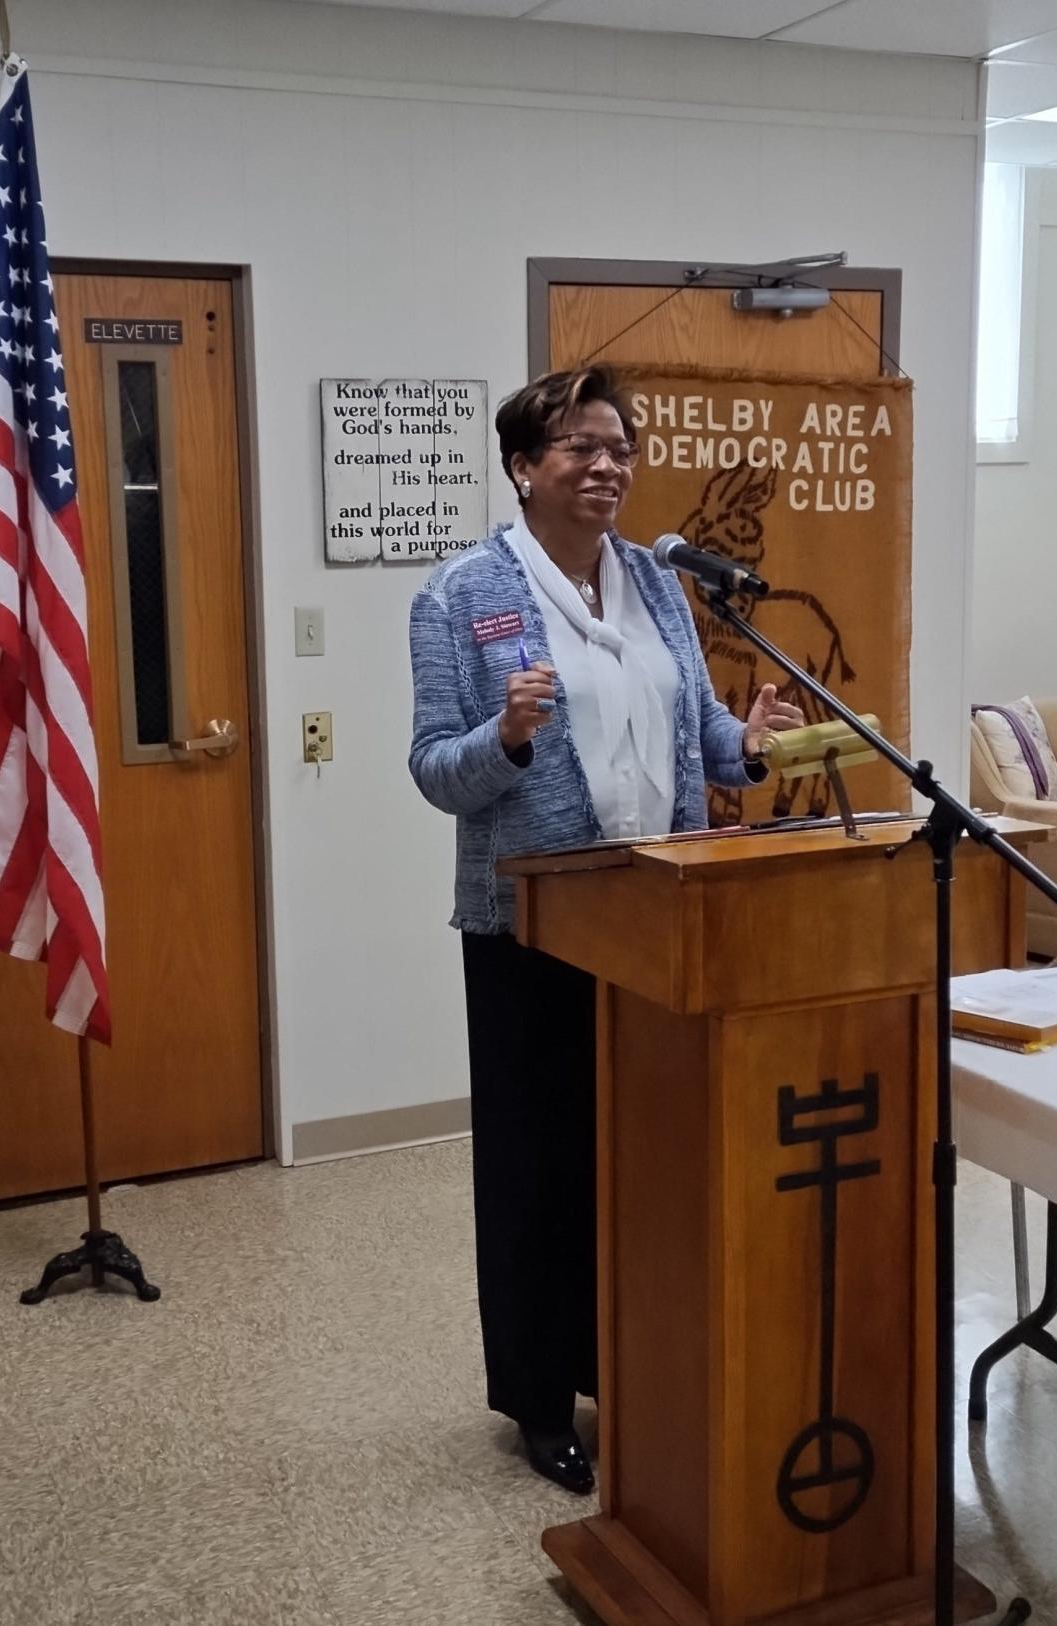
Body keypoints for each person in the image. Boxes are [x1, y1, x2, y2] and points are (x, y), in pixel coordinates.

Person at [407, 366, 802, 1494]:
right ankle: (538, 1397)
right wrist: (510, 736)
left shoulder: (659, 585)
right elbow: (437, 769)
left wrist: (750, 743)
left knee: (636, 1163)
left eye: (619, 447)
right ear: (525, 466)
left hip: (656, 918)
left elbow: (697, 737)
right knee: (537, 1167)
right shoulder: (461, 594)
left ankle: (619, 1359)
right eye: (579, 446)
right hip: (531, 921)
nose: (607, 465)